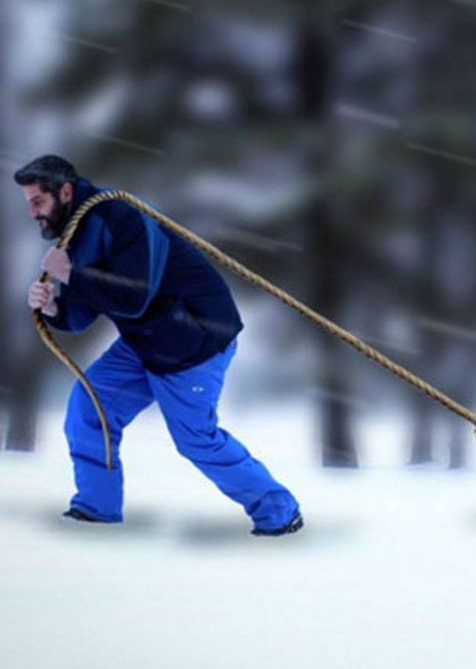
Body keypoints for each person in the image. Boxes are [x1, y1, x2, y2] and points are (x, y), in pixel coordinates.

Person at [17, 154, 302, 537]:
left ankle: (280, 513)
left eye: (38, 201)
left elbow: (133, 295)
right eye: (29, 203)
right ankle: (95, 512)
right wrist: (53, 305)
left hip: (194, 342)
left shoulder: (121, 215)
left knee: (196, 440)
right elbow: (84, 312)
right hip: (146, 340)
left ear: (65, 191)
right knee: (89, 408)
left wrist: (70, 273)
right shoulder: (78, 235)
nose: (33, 212)